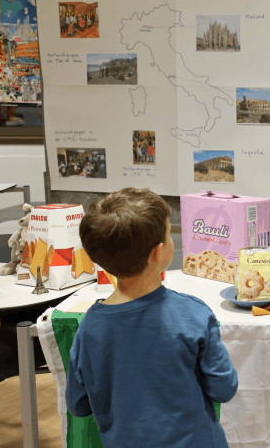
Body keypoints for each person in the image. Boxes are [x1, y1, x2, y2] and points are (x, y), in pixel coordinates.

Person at [66, 188, 238, 448]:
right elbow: (224, 388)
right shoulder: (194, 314)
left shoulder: (89, 328)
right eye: (169, 234)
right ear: (158, 253)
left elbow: (78, 405)